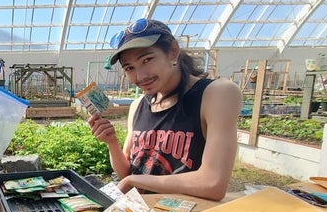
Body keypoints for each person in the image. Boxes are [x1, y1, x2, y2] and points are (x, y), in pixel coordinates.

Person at [88, 19, 242, 201]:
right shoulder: (139, 105)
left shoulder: (216, 94)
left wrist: (134, 180)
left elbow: (213, 183)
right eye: (129, 68)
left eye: (147, 60)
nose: (140, 76)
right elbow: (128, 172)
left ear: (173, 52)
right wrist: (112, 143)